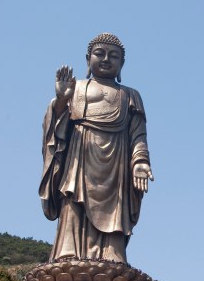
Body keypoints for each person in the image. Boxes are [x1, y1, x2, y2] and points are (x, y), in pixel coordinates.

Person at [40, 32, 154, 266]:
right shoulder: (78, 88)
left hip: (117, 162)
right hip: (79, 157)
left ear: (122, 64)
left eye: (114, 56)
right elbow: (56, 125)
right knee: (72, 198)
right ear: (87, 59)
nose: (105, 59)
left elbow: (138, 134)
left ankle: (113, 255)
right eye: (99, 53)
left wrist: (140, 162)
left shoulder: (130, 96)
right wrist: (61, 101)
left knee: (116, 207)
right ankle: (67, 253)